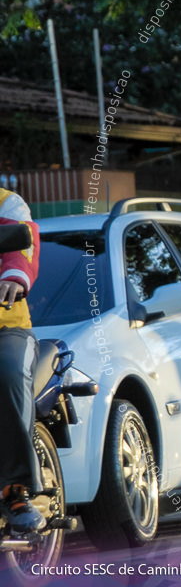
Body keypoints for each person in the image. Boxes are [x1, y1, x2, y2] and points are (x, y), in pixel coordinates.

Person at [0, 188, 45, 533]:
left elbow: (22, 248)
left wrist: (14, 277)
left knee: (9, 374)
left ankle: (15, 490)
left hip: (7, 328)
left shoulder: (6, 203)